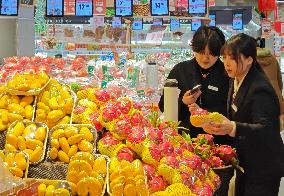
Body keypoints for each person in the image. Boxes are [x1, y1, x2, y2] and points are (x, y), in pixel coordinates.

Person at [204, 33, 284, 196]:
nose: (226, 63)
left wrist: (232, 127)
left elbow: (267, 129)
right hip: (245, 160)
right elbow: (236, 114)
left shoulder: (259, 88)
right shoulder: (237, 79)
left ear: (249, 59)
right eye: (224, 57)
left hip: (263, 165)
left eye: (233, 58)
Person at [159, 26, 232, 145]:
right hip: (184, 142)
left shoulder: (227, 73)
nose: (205, 58)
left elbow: (233, 110)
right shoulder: (180, 70)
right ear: (194, 49)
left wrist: (204, 113)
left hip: (219, 142)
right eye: (201, 52)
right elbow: (163, 106)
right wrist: (182, 102)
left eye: (211, 54)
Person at [256, 46, 284, 129]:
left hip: (260, 100)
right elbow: (280, 81)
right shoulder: (273, 59)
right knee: (275, 130)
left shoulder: (250, 61)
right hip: (276, 99)